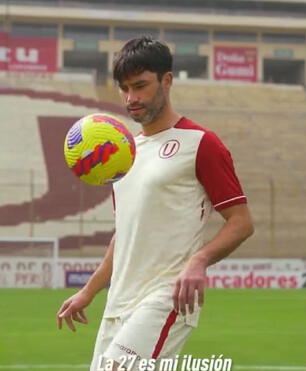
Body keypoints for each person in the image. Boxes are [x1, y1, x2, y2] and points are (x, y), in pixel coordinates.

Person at [56, 37, 254, 371]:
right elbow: (124, 236)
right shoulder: (123, 154)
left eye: (140, 86)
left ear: (167, 80)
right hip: (119, 302)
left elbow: (241, 221)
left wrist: (199, 261)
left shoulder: (201, 143)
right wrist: (88, 292)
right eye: (124, 89)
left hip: (167, 296)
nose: (131, 99)